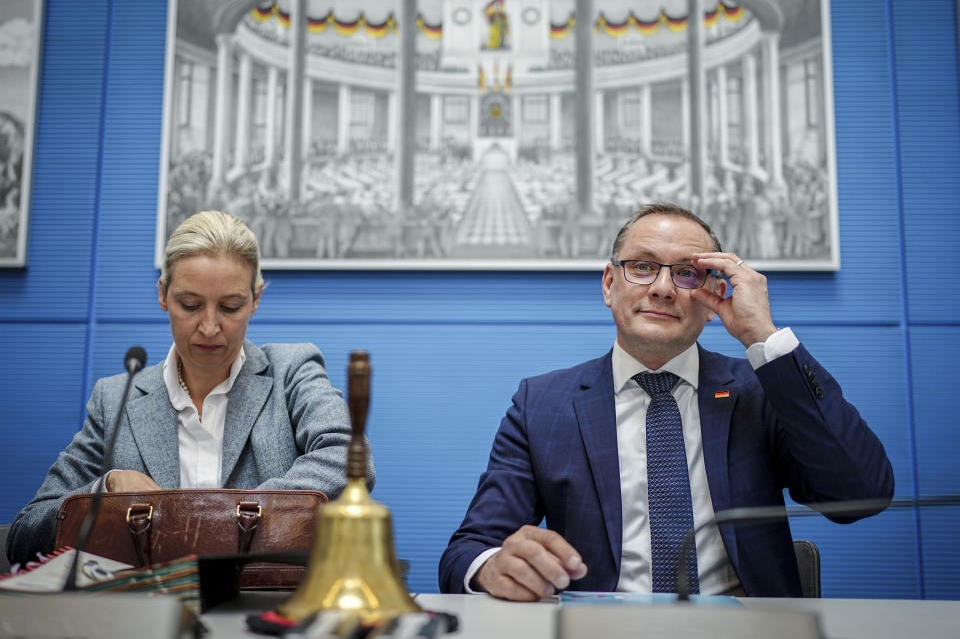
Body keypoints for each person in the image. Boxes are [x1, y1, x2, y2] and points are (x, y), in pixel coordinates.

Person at [439, 202, 893, 600]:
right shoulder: (542, 404)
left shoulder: (759, 390)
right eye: (642, 266)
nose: (661, 288)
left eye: (687, 273)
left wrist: (764, 337)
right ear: (608, 284)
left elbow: (860, 495)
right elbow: (468, 551)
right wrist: (493, 567)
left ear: (714, 292)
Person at [7, 210, 374, 564]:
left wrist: (225, 517)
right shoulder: (115, 399)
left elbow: (350, 459)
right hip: (147, 613)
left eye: (230, 307)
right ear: (163, 295)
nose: (210, 326)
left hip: (270, 605)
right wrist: (106, 489)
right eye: (191, 305)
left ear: (256, 298)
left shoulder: (291, 371)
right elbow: (25, 534)